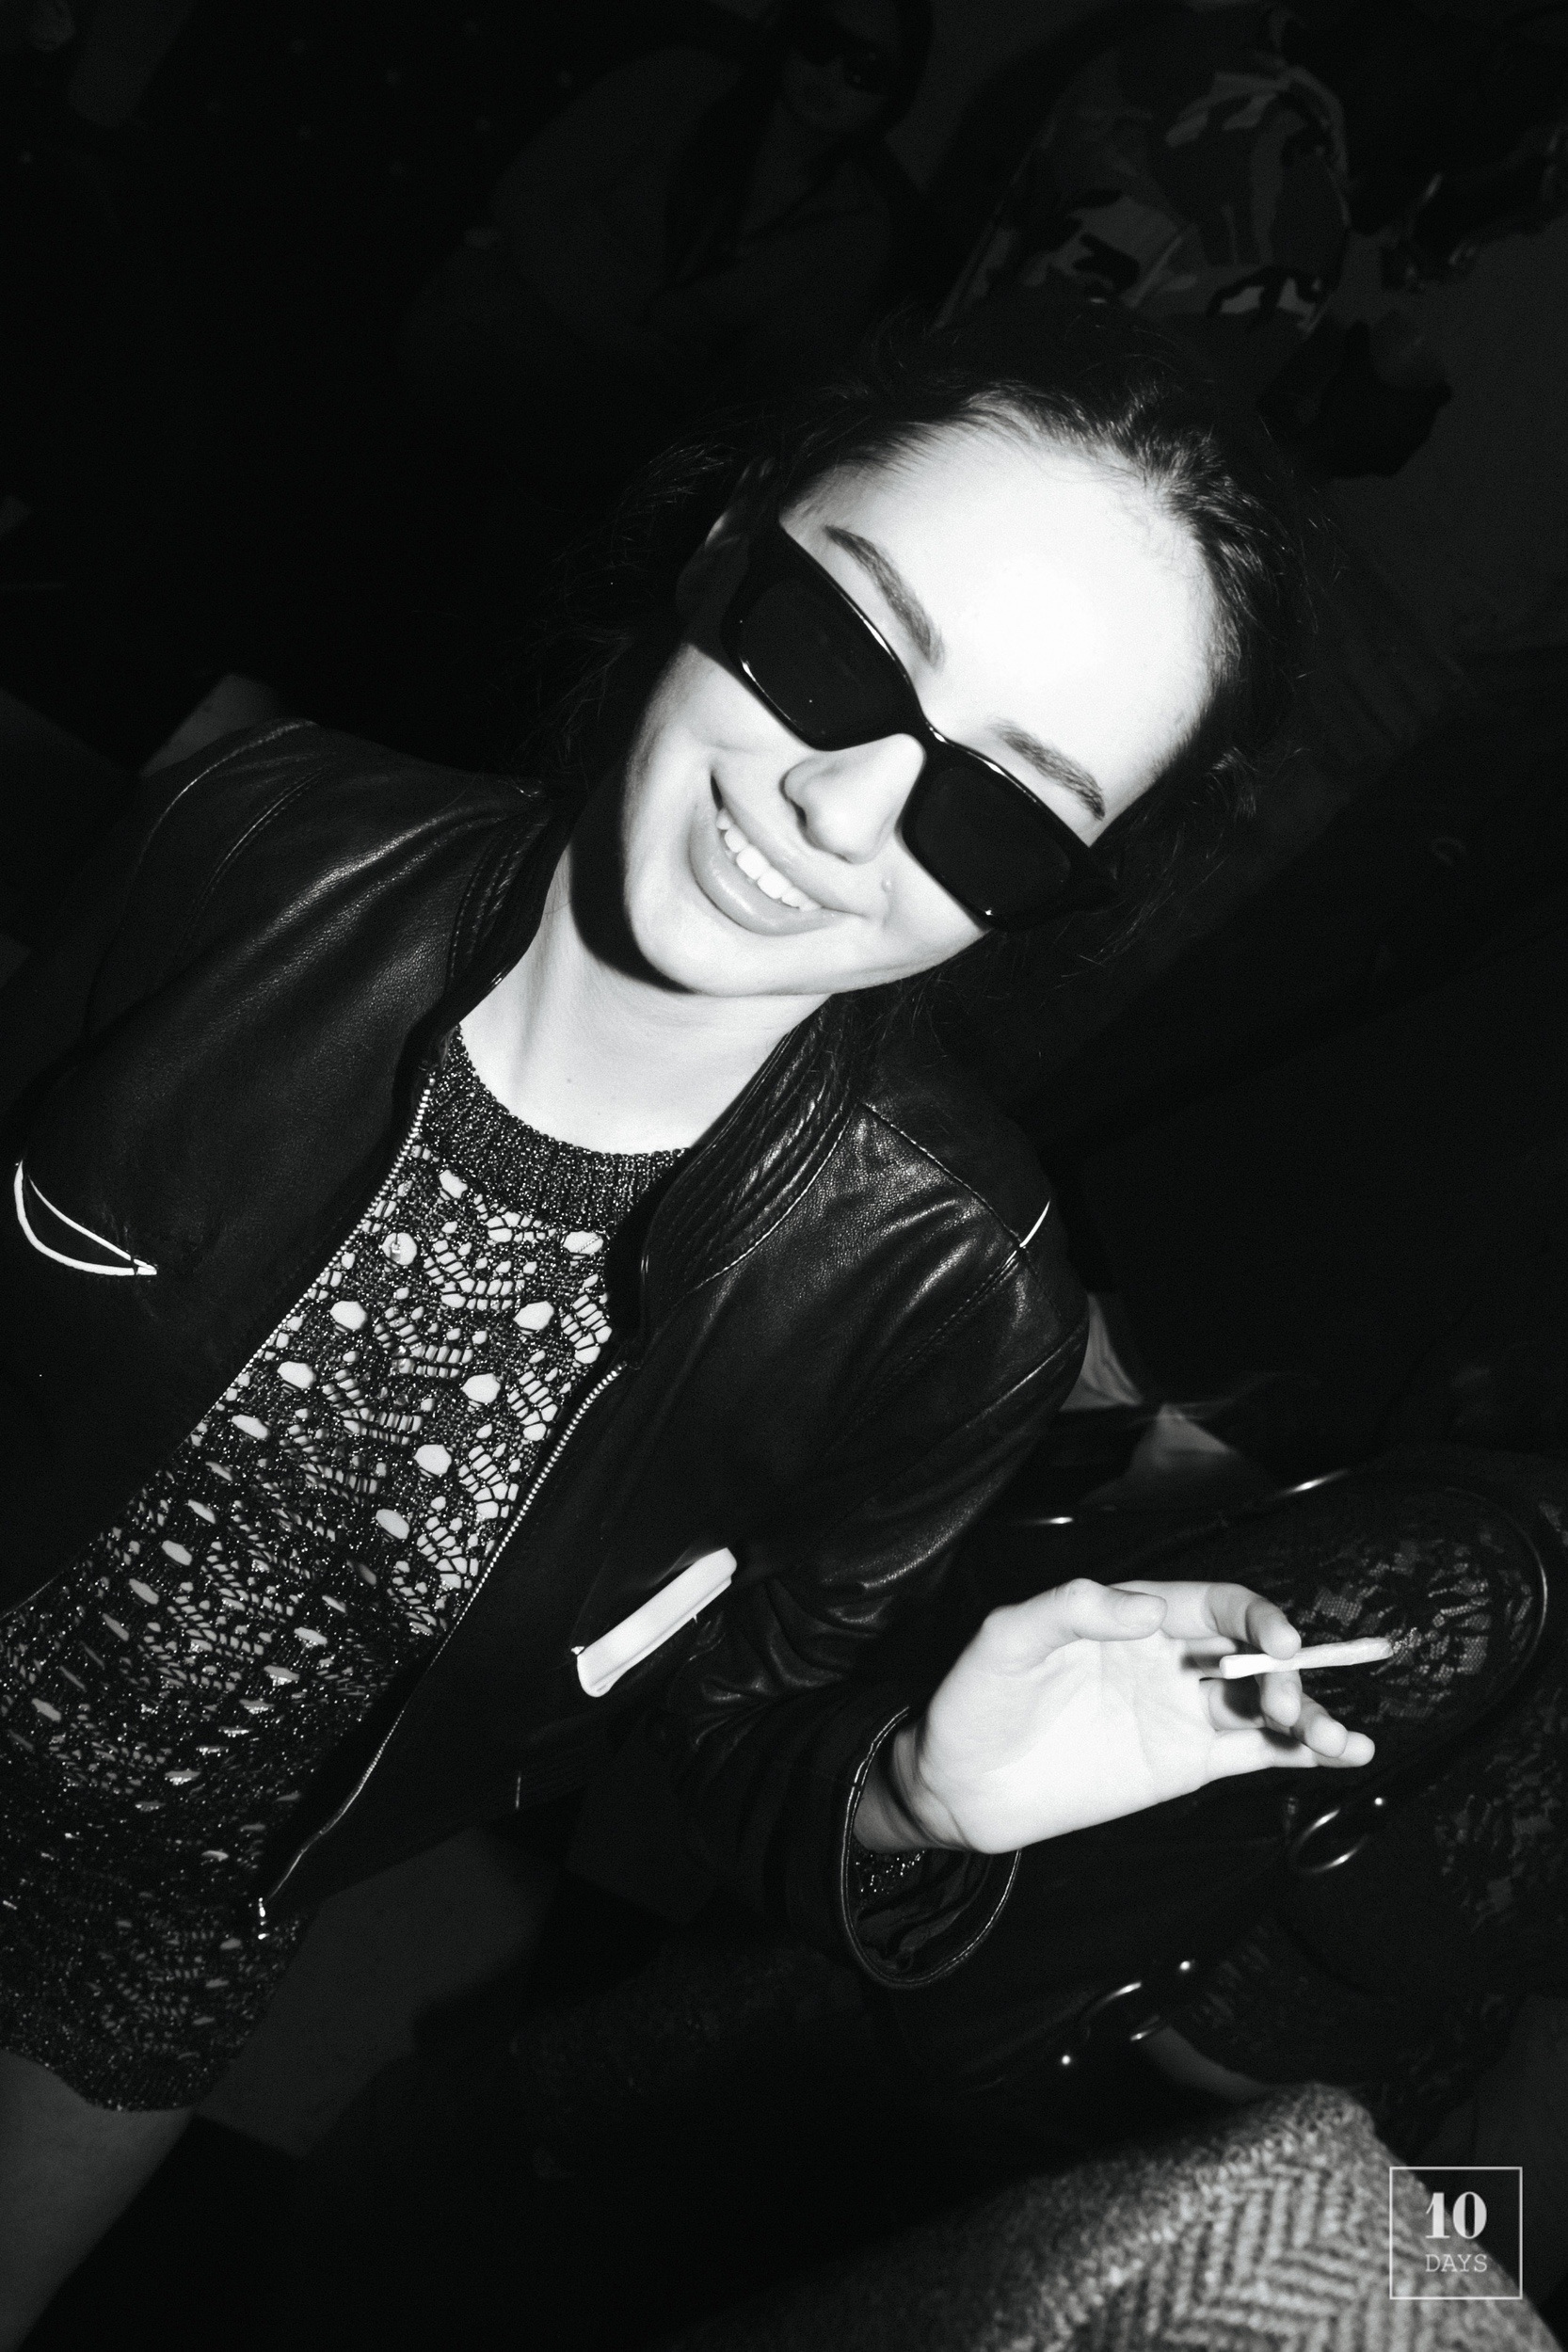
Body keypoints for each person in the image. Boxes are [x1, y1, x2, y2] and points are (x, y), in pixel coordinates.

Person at [0, 291, 1366, 2344]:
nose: (842, 806)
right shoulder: (248, 842)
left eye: (997, 811)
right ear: (725, 549)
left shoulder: (943, 1296)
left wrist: (908, 1791)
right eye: (836, 648)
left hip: (152, 1935)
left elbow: (719, 1741)